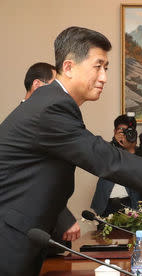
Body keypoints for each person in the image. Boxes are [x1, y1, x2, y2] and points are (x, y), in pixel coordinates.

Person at [0, 26, 142, 276]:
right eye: (98, 66)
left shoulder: (54, 102)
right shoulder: (52, 106)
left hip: (21, 232)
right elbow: (109, 161)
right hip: (9, 238)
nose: (104, 77)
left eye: (106, 68)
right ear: (69, 67)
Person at [23, 62, 81, 253]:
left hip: (48, 232)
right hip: (27, 231)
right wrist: (63, 217)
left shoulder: (41, 118)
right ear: (37, 85)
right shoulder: (27, 122)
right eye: (55, 85)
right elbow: (31, 181)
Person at [90, 115, 142, 216]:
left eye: (128, 131)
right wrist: (114, 142)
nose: (124, 134)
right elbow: (99, 165)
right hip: (106, 203)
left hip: (130, 202)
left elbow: (139, 172)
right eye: (121, 131)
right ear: (114, 131)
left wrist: (130, 149)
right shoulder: (106, 148)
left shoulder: (139, 152)